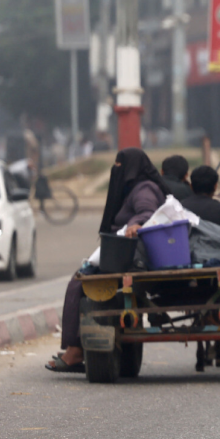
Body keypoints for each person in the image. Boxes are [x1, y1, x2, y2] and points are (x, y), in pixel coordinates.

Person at [46, 149, 169, 373]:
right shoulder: (136, 188)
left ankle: (75, 351)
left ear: (131, 167)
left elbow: (147, 212)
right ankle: (77, 348)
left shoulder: (144, 189)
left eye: (120, 165)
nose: (116, 170)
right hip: (122, 252)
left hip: (130, 256)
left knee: (78, 283)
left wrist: (135, 224)